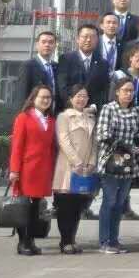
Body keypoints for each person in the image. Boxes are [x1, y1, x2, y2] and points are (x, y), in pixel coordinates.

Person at [96, 77, 139, 253]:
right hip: (110, 161)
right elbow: (102, 134)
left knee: (119, 203)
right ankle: (104, 241)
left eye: (131, 91)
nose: (128, 94)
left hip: (128, 163)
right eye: (125, 90)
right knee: (109, 201)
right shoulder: (109, 108)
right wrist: (124, 146)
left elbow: (138, 133)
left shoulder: (135, 111)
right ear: (117, 92)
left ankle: (114, 240)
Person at [9, 84, 56, 255]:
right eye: (42, 97)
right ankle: (23, 242)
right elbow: (17, 146)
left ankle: (31, 241)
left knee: (36, 208)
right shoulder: (23, 118)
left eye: (48, 98)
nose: (45, 100)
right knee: (24, 208)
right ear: (34, 99)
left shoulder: (51, 120)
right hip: (26, 170)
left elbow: (51, 148)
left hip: (43, 170)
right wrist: (14, 170)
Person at [52, 84, 97, 254]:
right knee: (66, 207)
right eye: (78, 96)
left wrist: (91, 162)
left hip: (85, 169)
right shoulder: (63, 117)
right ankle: (65, 241)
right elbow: (63, 141)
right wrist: (76, 162)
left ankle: (72, 239)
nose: (81, 99)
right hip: (68, 167)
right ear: (71, 99)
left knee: (78, 207)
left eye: (84, 96)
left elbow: (94, 143)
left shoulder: (90, 118)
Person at [59, 25, 111, 109]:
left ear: (97, 40)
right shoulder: (66, 59)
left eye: (92, 37)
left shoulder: (103, 63)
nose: (88, 40)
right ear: (78, 39)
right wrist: (75, 105)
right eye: (85, 36)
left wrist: (94, 106)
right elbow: (63, 87)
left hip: (93, 110)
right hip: (70, 109)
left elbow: (104, 90)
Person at [17, 31, 59, 109]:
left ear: (55, 46)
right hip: (34, 112)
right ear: (37, 45)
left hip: (54, 113)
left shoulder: (57, 67)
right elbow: (22, 95)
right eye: (43, 42)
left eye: (51, 42)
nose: (47, 45)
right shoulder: (28, 66)